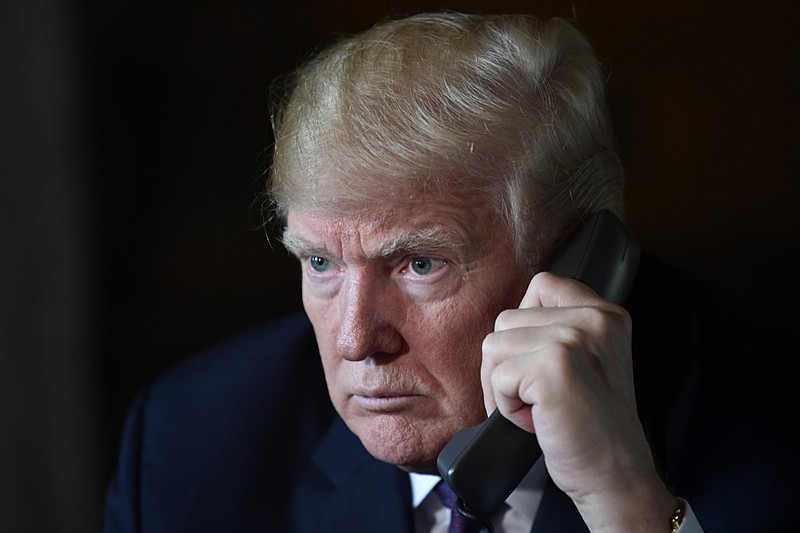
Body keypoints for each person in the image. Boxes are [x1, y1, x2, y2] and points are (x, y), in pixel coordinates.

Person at [103, 12, 796, 533]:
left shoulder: (769, 418)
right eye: (320, 262)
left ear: (577, 266)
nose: (354, 340)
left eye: (418, 264)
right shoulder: (188, 443)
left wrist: (625, 497)